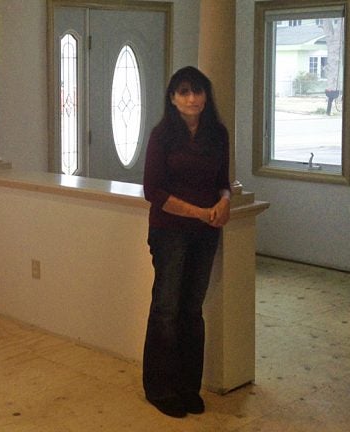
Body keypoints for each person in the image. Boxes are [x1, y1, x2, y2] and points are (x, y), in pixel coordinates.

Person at [141, 66, 231, 418]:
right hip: (169, 232)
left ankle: (187, 387)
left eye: (197, 91)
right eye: (183, 92)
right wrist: (198, 211)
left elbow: (223, 180)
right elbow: (154, 191)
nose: (191, 98)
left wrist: (224, 201)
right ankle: (160, 388)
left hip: (205, 232)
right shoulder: (162, 136)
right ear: (172, 98)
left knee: (192, 310)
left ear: (207, 95)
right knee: (166, 310)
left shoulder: (217, 134)